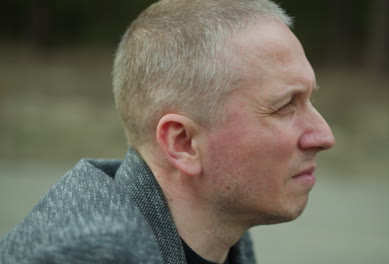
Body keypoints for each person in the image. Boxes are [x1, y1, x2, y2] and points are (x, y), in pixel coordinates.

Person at [0, 0, 335, 263]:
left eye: (309, 100)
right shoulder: (90, 253)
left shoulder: (221, 237)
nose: (323, 136)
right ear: (183, 143)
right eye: (284, 106)